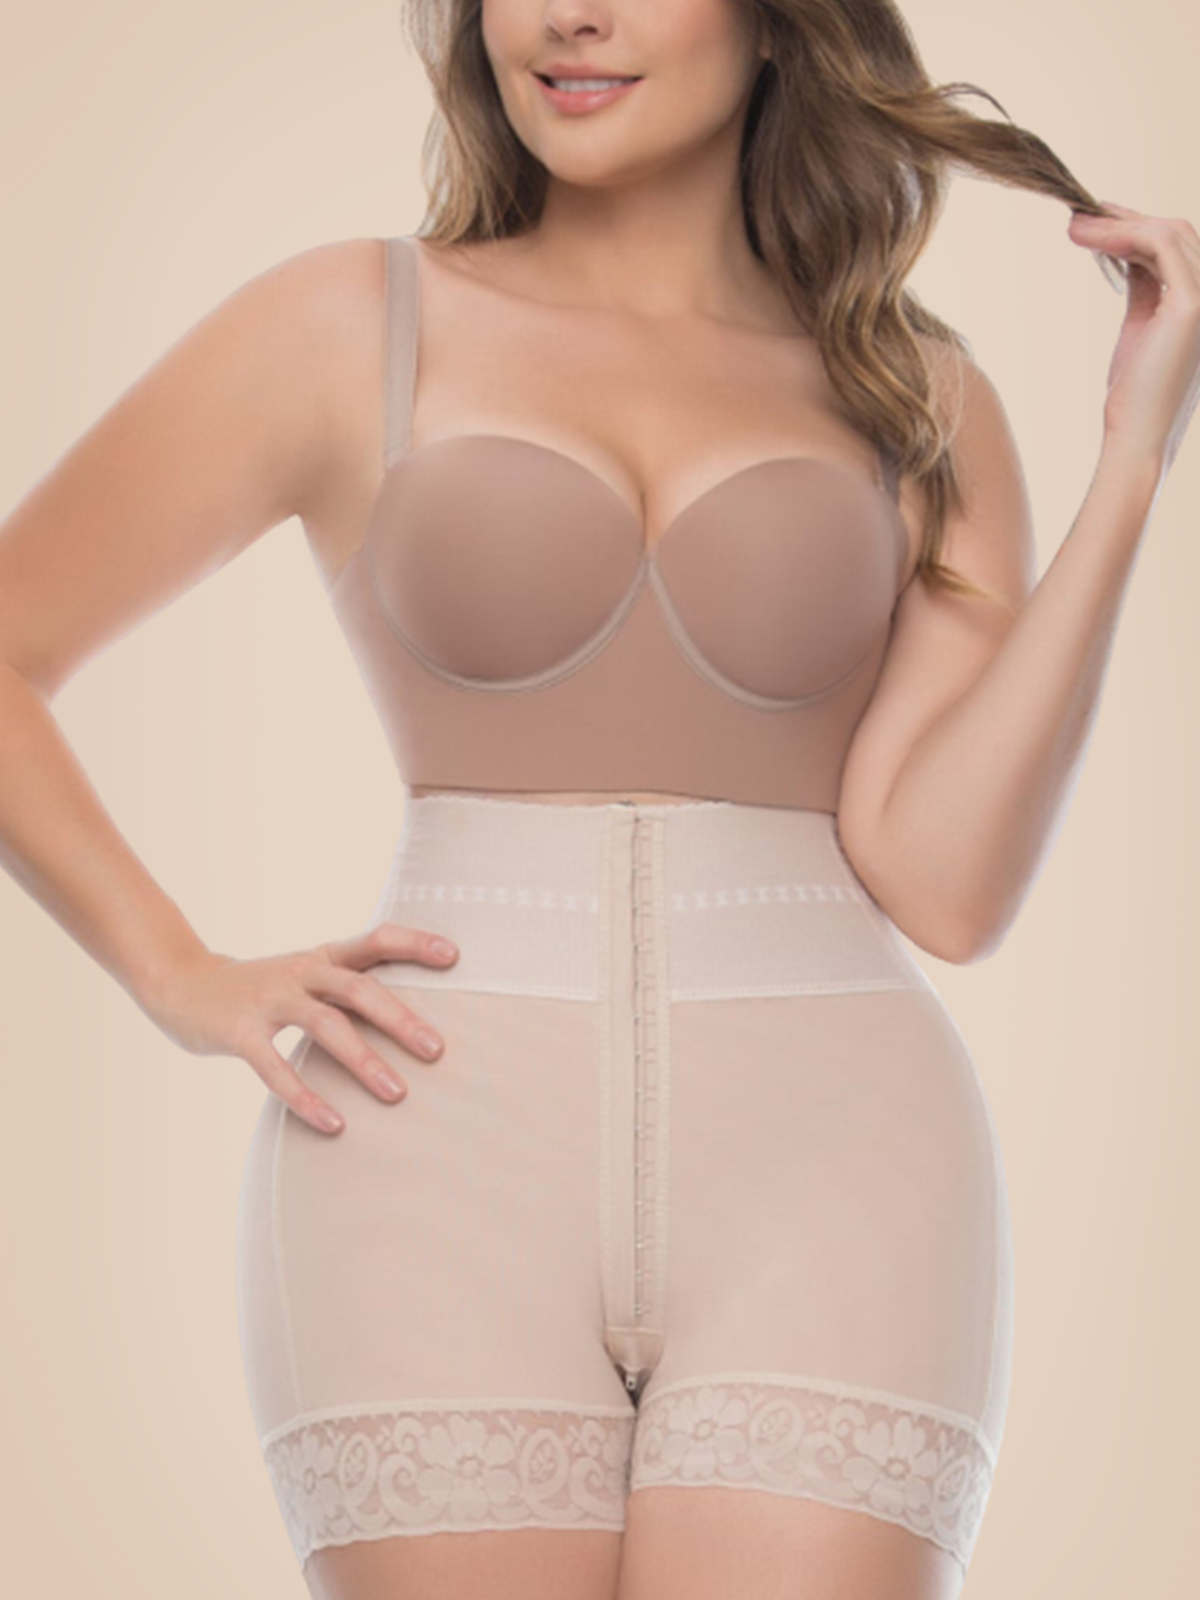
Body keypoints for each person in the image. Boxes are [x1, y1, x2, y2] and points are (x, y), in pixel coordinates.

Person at [1, 2, 1195, 1597]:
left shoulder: (915, 393)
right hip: (429, 1151)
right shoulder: (351, 323)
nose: (569, 11)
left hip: (839, 1163)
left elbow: (947, 881)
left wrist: (1133, 456)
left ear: (775, 23)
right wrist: (175, 971)